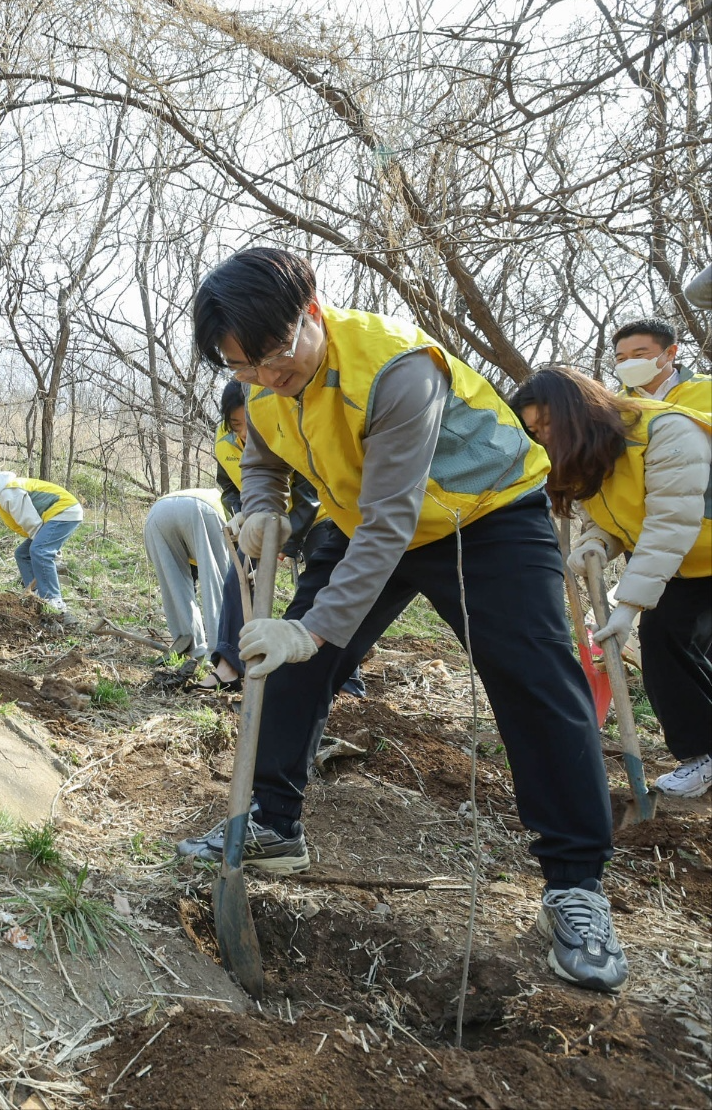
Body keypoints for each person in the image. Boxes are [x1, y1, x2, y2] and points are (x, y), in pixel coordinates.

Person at [183, 247, 626, 993]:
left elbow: (391, 523)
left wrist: (315, 627)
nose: (263, 375)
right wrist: (260, 504)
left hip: (482, 515)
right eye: (243, 365)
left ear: (311, 313)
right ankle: (270, 821)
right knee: (288, 669)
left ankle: (575, 885)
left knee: (535, 682)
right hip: (368, 517)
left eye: (273, 356)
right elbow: (264, 450)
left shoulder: (396, 368)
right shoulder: (259, 381)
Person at [509, 369, 712, 800]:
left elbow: (669, 522)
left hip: (693, 550)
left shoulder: (665, 430)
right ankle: (703, 752)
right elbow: (617, 517)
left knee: (666, 636)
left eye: (546, 423)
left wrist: (628, 606)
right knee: (667, 640)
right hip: (685, 563)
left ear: (574, 409)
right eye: (533, 430)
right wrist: (597, 541)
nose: (542, 436)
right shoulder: (594, 448)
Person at [212, 381, 363, 696]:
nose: (243, 433)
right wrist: (245, 517)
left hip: (319, 515)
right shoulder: (223, 441)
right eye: (237, 424)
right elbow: (228, 485)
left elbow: (309, 488)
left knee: (325, 581)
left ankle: (345, 679)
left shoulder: (286, 421)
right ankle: (229, 664)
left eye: (248, 423)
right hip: (263, 520)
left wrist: (288, 544)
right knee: (237, 576)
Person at [0, 471, 81, 620]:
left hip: (63, 511)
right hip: (51, 517)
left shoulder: (7, 493)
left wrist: (46, 548)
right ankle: (35, 596)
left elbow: (30, 521)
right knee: (22, 554)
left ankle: (54, 603)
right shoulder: (0, 495)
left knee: (39, 551)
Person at [142, 487, 232, 686]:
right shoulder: (230, 501)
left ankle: (192, 650)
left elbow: (188, 580)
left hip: (157, 513)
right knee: (218, 583)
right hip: (201, 510)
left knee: (174, 587)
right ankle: (222, 655)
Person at [610, 317, 709, 413]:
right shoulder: (615, 406)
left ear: (670, 353)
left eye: (638, 355)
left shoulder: (707, 388)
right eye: (621, 359)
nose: (628, 364)